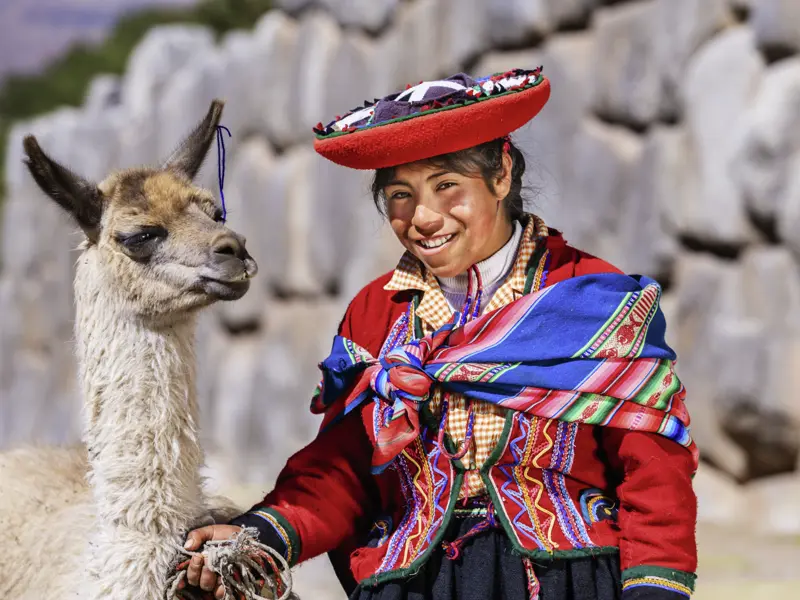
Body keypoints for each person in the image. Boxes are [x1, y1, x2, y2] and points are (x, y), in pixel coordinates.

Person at [181, 68, 698, 600]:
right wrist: (264, 533)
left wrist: (656, 587)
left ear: (500, 174)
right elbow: (346, 465)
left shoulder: (593, 299)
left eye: (447, 185)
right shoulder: (378, 312)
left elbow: (653, 470)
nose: (423, 217)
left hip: (566, 582)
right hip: (414, 585)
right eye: (401, 195)